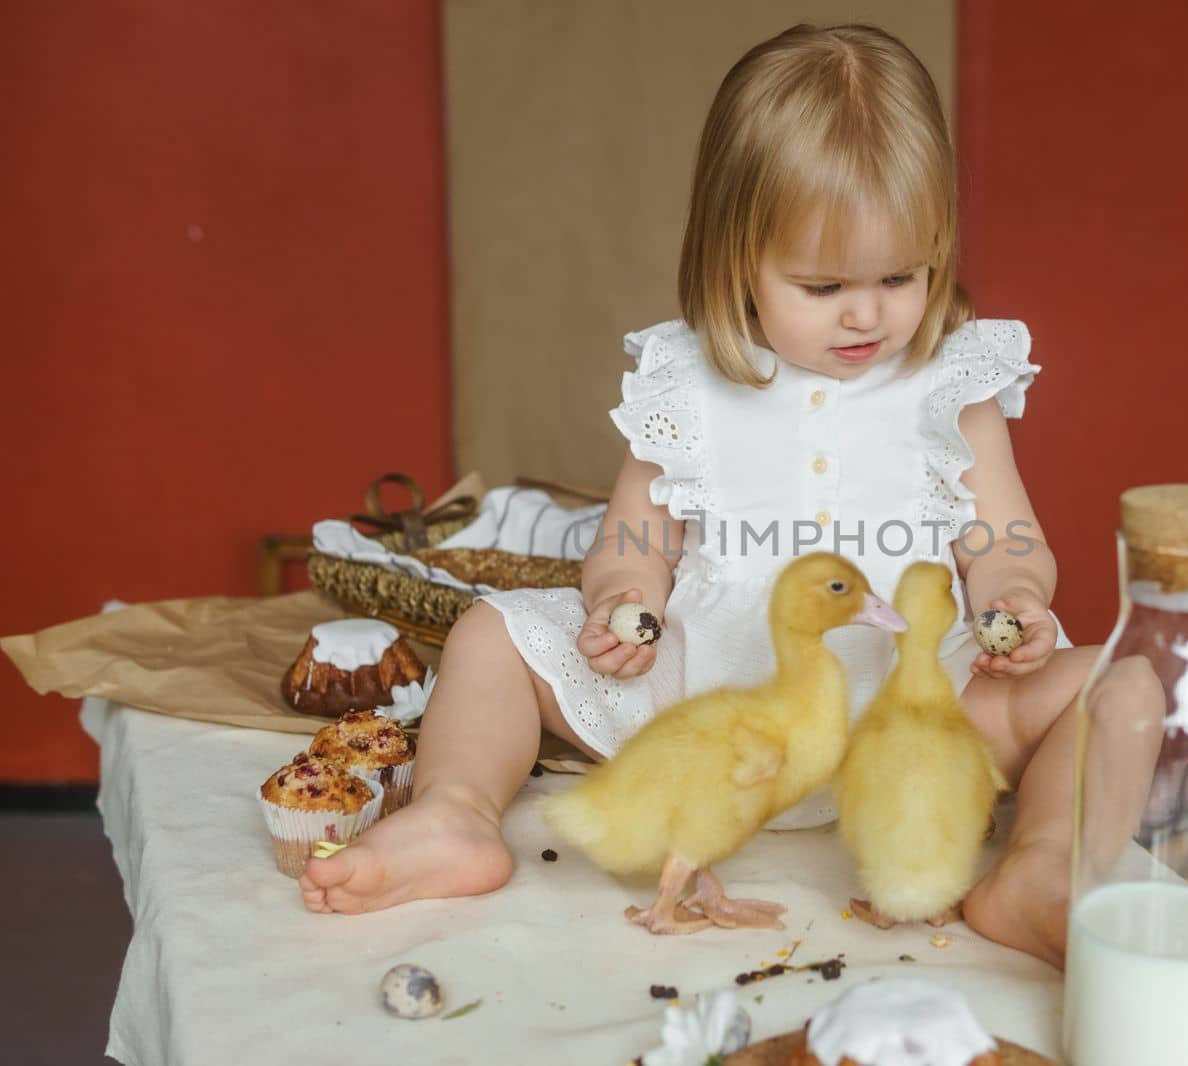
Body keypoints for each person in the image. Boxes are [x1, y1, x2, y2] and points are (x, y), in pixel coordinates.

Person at [300, 22, 1103, 968]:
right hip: (704, 714)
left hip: (912, 723)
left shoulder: (952, 381)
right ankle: (455, 815)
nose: (868, 312)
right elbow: (632, 540)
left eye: (902, 275)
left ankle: (1039, 870)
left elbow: (1004, 537)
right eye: (822, 283)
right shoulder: (687, 381)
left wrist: (1017, 597)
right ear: (736, 258)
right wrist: (621, 602)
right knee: (492, 635)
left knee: (1111, 680)